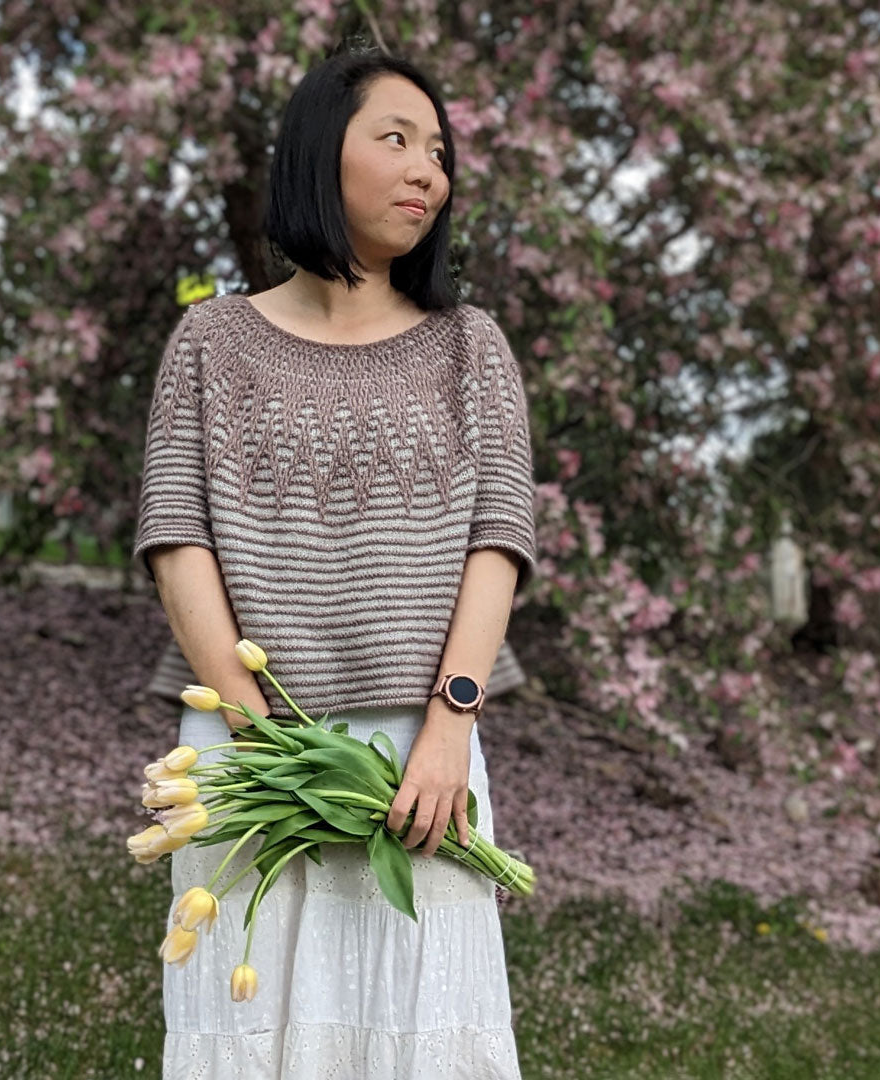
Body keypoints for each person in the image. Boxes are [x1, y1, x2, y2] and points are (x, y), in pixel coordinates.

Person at [132, 45, 536, 1080]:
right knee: (247, 1034)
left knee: (422, 1035)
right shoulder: (211, 343)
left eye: (438, 153)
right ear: (321, 154)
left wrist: (450, 727)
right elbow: (178, 538)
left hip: (424, 754)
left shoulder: (468, 347)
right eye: (395, 139)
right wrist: (249, 723)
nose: (426, 173)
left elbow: (499, 543)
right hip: (246, 746)